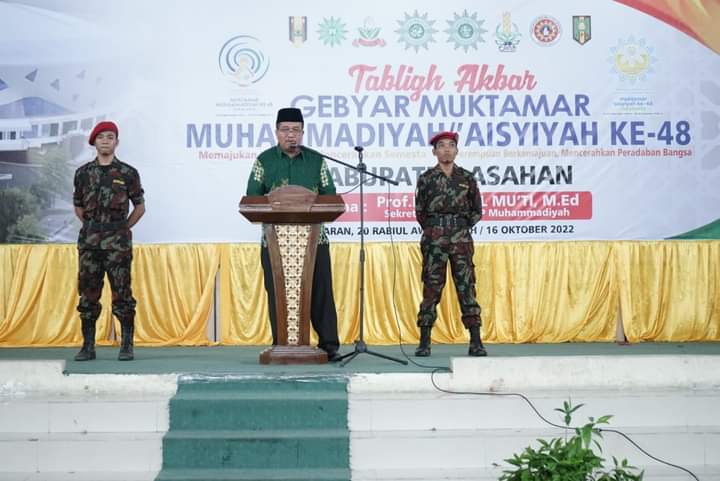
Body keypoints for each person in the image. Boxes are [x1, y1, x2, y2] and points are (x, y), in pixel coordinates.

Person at [246, 107, 342, 362]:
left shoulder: (316, 160)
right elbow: (251, 198)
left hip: (314, 242)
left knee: (321, 292)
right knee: (277, 293)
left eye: (296, 130)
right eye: (285, 130)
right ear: (276, 132)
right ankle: (281, 343)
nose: (291, 135)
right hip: (275, 242)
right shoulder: (264, 161)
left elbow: (330, 196)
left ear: (302, 132)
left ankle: (329, 346)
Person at [72, 121, 145, 361]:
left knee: (122, 293)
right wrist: (95, 228)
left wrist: (122, 228)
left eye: (110, 137)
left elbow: (139, 207)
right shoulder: (83, 173)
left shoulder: (127, 173)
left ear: (116, 142)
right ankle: (88, 346)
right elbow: (79, 207)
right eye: (101, 137)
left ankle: (126, 345)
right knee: (88, 294)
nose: (105, 140)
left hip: (118, 243)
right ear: (94, 141)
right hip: (90, 243)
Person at [414, 131, 486, 357]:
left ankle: (475, 341)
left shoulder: (467, 178)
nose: (446, 149)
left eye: (451, 145)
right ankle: (425, 341)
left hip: (461, 239)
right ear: (434, 151)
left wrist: (459, 228)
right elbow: (420, 212)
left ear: (457, 150)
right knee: (431, 288)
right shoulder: (426, 179)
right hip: (434, 239)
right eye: (441, 146)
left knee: (466, 287)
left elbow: (477, 211)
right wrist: (437, 229)